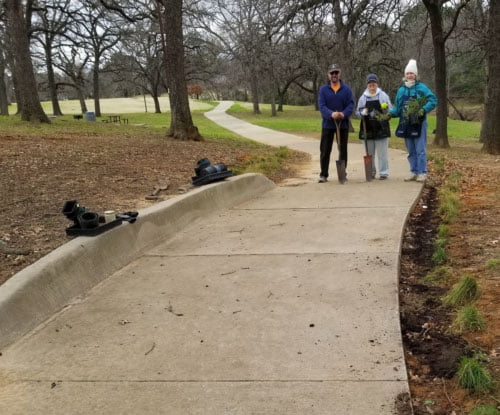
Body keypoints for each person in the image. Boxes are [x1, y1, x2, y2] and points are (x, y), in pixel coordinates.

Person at [389, 59, 437, 182]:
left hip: (419, 123)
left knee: (420, 149)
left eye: (412, 73)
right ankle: (413, 171)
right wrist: (390, 114)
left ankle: (422, 172)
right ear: (405, 76)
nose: (409, 75)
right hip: (406, 123)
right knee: (410, 150)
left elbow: (433, 100)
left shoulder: (422, 88)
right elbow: (398, 108)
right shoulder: (401, 90)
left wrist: (423, 110)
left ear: (416, 75)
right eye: (407, 73)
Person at [318, 63, 355, 183]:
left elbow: (351, 104)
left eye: (336, 73)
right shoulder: (323, 90)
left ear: (340, 74)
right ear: (328, 75)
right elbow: (322, 106)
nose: (334, 75)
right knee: (325, 150)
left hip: (342, 124)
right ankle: (323, 174)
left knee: (342, 149)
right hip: (328, 124)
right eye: (332, 73)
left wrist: (343, 114)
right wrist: (331, 114)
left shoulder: (346, 89)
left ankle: (342, 173)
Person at [356, 73, 393, 180]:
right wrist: (362, 113)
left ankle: (384, 173)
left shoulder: (383, 95)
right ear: (367, 85)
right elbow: (357, 112)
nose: (372, 85)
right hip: (367, 128)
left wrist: (386, 111)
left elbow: (390, 110)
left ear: (377, 84)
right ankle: (371, 172)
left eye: (374, 83)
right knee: (369, 152)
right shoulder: (363, 98)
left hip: (381, 127)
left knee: (382, 153)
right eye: (370, 83)